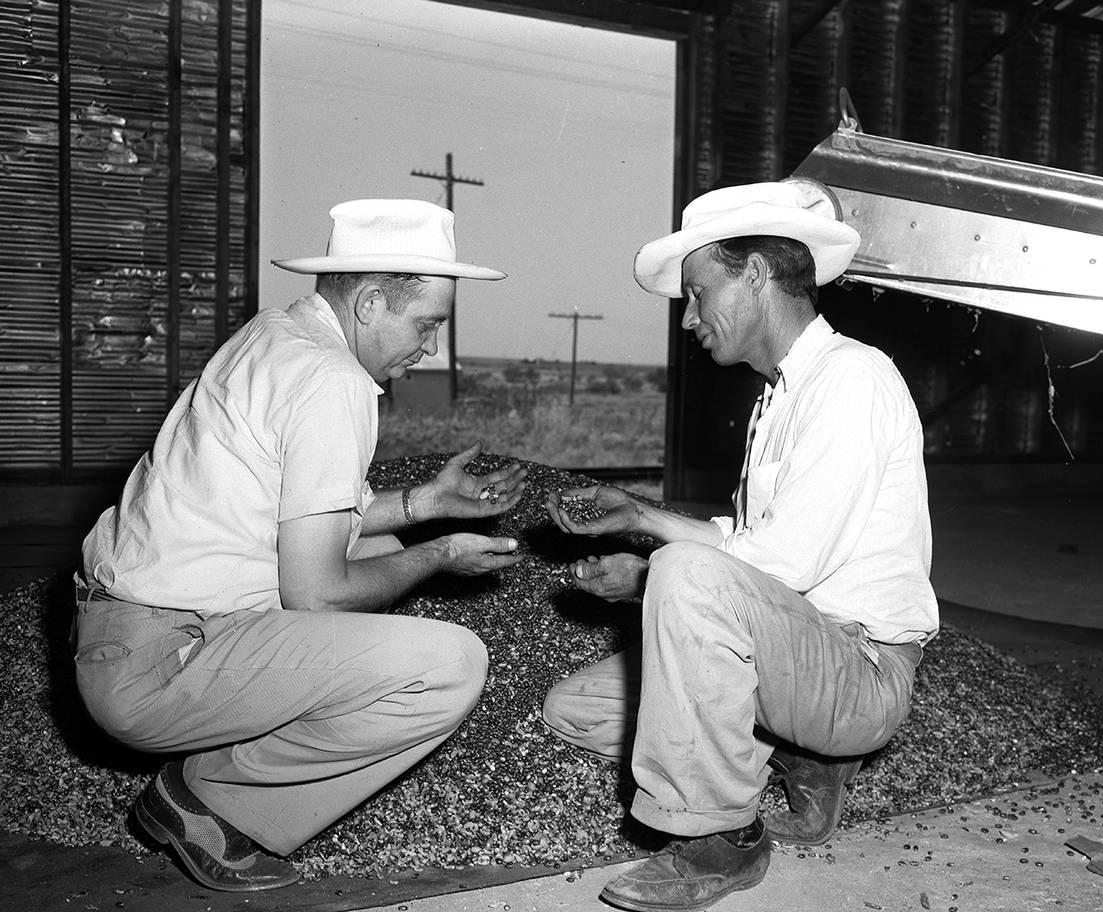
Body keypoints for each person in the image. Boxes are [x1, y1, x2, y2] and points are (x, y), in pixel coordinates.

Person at [75, 198, 527, 892]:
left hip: (126, 633)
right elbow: (316, 593)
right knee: (451, 664)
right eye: (427, 323)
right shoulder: (333, 381)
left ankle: (231, 754)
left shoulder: (277, 334)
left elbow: (297, 518)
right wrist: (438, 555)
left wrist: (429, 503)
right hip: (157, 664)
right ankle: (210, 802)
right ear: (372, 302)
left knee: (382, 551)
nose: (431, 346)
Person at [543, 180, 939, 912]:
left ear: (755, 275)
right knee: (575, 708)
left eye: (698, 293)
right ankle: (798, 754)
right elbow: (751, 546)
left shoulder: (853, 379)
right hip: (800, 652)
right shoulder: (778, 395)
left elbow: (787, 565)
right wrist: (643, 566)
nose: (690, 318)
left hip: (861, 669)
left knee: (686, 574)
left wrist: (654, 531)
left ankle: (723, 838)